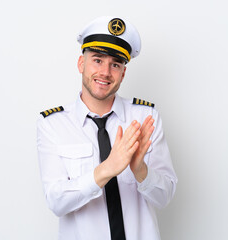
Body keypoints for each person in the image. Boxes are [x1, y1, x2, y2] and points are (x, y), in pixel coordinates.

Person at [37, 16, 177, 240]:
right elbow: (56, 202)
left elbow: (164, 197)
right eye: (97, 60)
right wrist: (106, 170)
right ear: (81, 64)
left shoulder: (146, 117)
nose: (105, 72)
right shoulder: (53, 124)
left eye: (115, 64)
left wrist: (140, 171)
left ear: (123, 72)